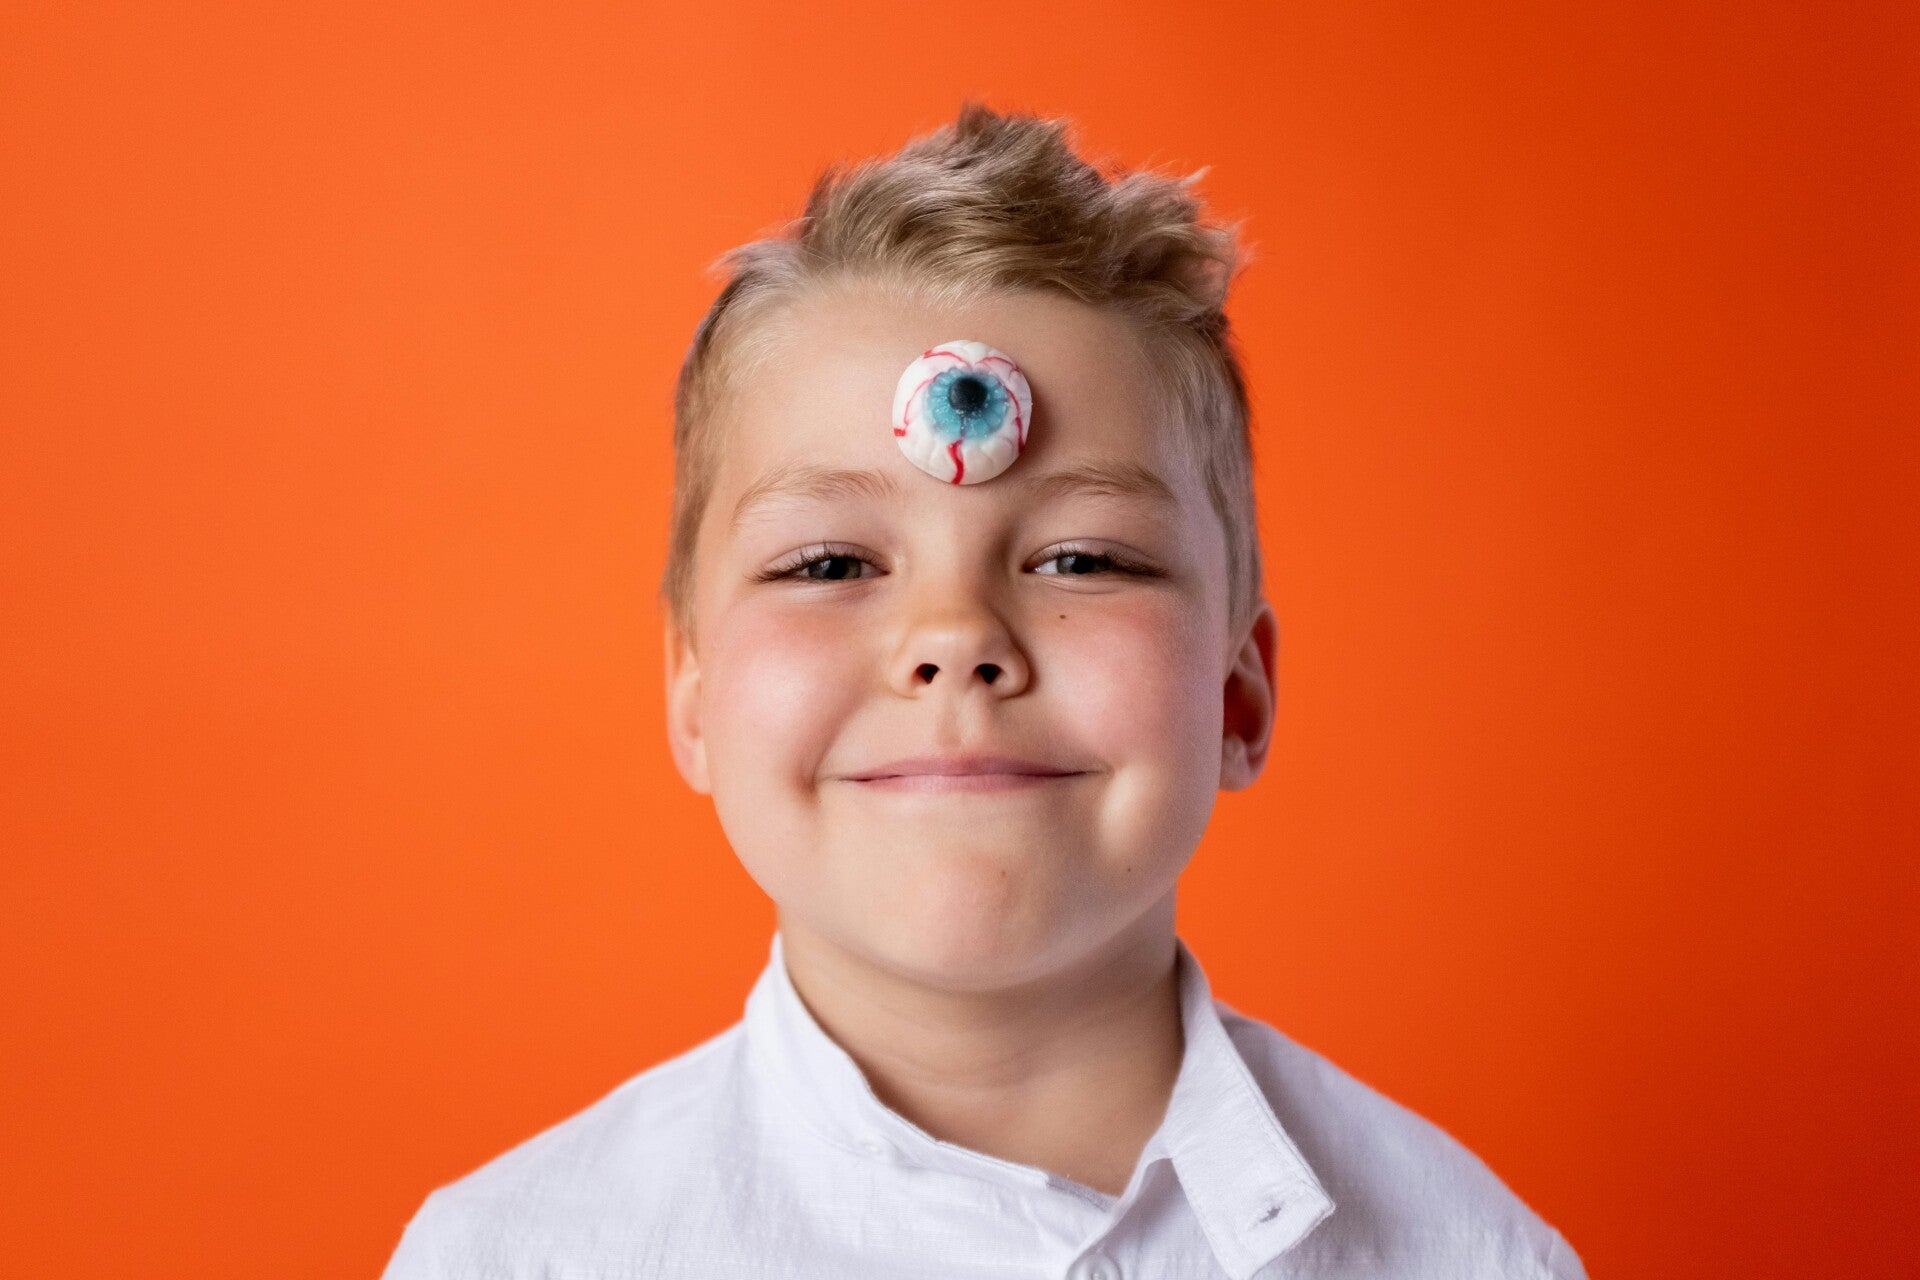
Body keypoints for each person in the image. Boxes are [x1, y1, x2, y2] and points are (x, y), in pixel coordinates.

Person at [380, 100, 1588, 1280]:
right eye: (829, 563)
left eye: (1082, 558)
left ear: (1239, 694)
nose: (956, 637)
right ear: (694, 694)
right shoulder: (512, 1254)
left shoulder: (1469, 1255)